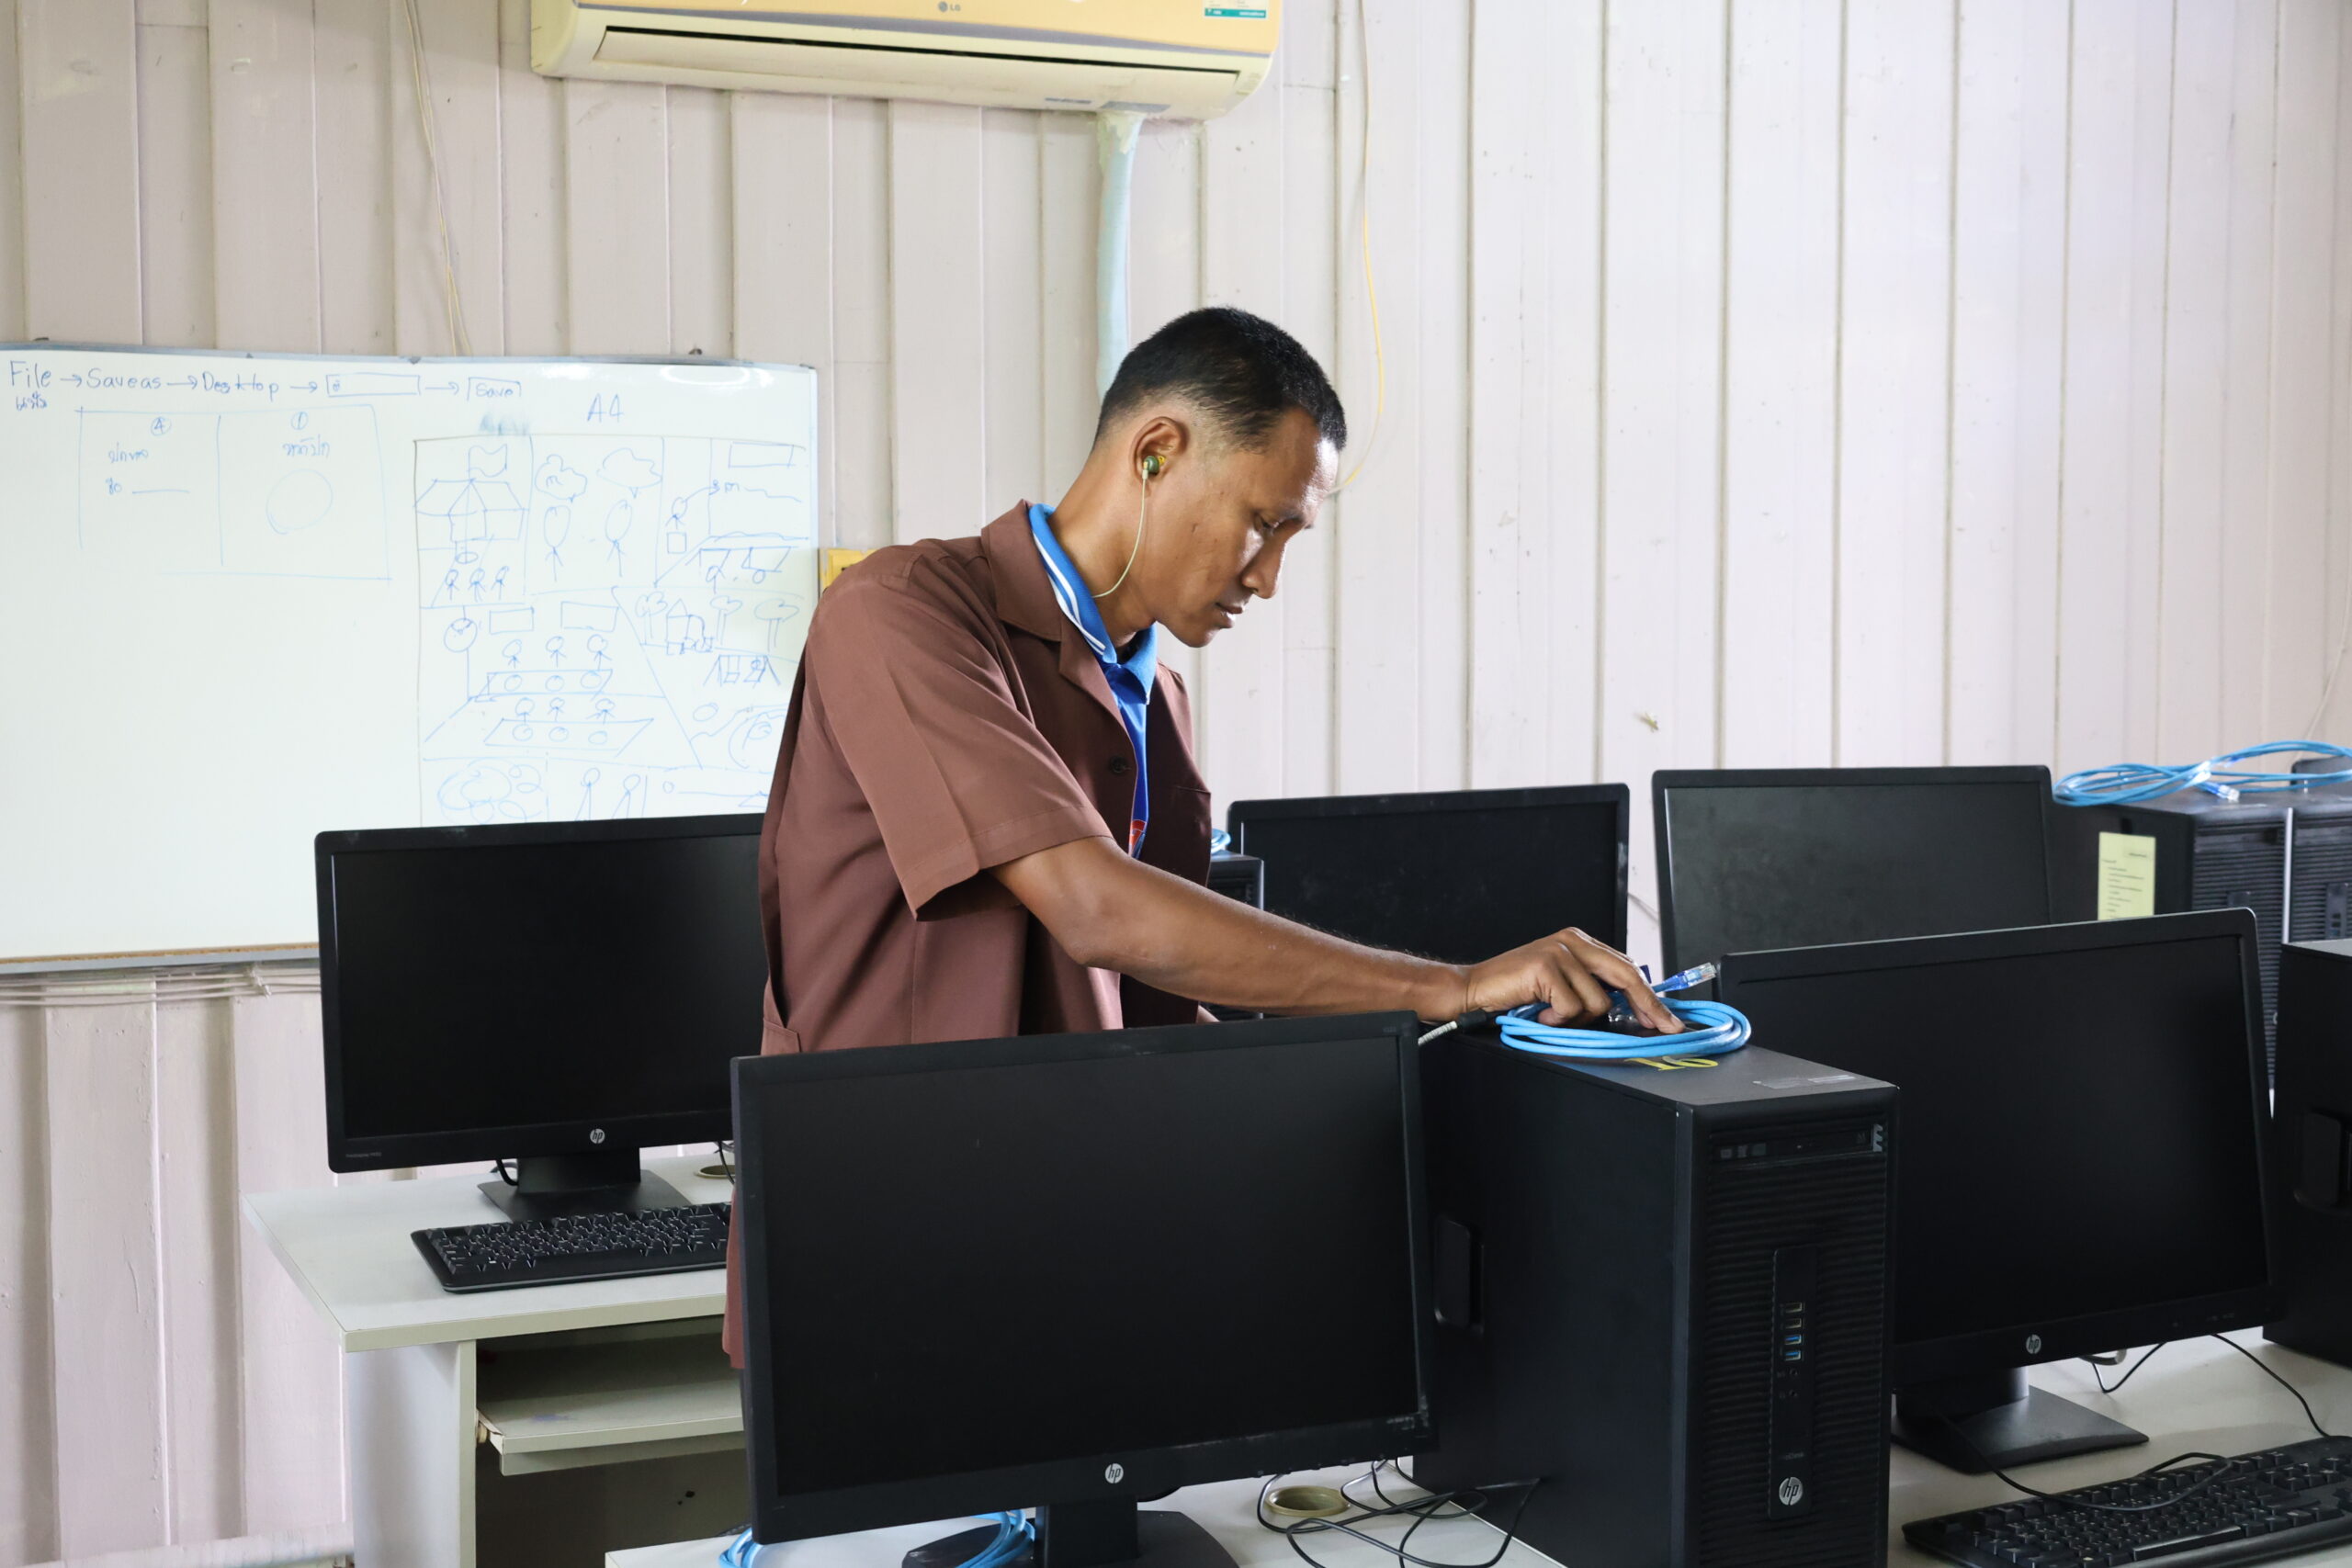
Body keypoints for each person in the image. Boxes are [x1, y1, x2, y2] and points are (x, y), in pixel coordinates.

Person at [723, 307, 1674, 1359]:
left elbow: (1156, 1007)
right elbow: (1095, 911)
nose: (1267, 578)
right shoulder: (902, 612)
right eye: (1263, 524)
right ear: (1156, 452)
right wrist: (1448, 987)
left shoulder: (1155, 701)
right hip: (880, 1249)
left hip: (1060, 1246)